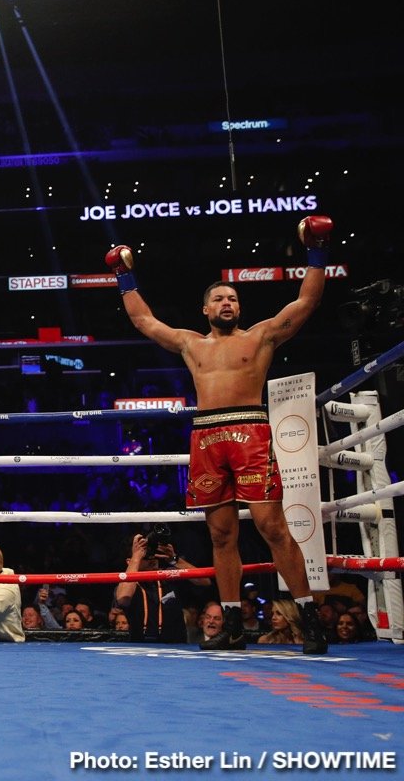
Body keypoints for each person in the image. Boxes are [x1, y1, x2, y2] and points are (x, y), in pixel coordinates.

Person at [106, 214, 333, 655]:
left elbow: (305, 303)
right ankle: (232, 625)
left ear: (239, 308)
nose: (227, 303)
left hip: (250, 429)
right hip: (207, 437)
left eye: (232, 298)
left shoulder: (261, 338)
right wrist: (123, 275)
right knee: (222, 535)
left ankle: (308, 618)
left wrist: (318, 252)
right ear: (206, 310)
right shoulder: (192, 344)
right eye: (219, 299)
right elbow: (145, 322)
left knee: (273, 527)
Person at [113, 531, 209, 644]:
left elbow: (205, 581)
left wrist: (174, 559)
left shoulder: (168, 575)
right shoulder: (129, 584)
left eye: (152, 553)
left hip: (176, 647)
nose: (152, 559)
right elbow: (123, 598)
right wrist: (136, 558)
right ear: (130, 561)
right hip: (139, 647)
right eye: (145, 555)